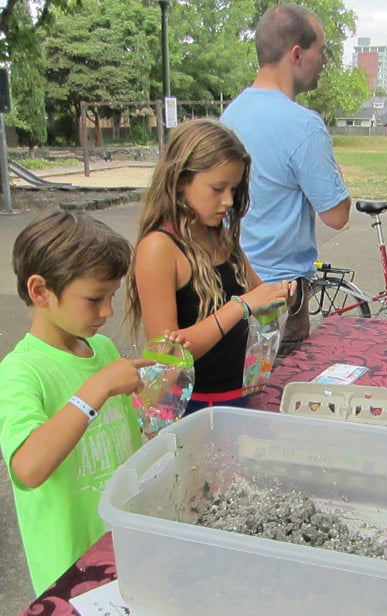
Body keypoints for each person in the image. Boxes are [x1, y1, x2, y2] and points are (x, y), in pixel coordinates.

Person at [0, 210, 152, 595]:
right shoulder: (20, 372)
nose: (107, 312)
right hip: (70, 569)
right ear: (40, 291)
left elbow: (123, 437)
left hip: (122, 544)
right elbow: (29, 468)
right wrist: (96, 388)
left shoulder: (99, 348)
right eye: (94, 298)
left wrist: (157, 394)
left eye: (112, 296)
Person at [126, 119, 295, 414]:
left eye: (234, 188)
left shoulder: (219, 234)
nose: (228, 200)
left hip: (239, 395)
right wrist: (240, 306)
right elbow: (168, 355)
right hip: (194, 409)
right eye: (217, 188)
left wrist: (281, 296)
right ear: (180, 180)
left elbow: (260, 297)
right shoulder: (159, 248)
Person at [221, 3, 351, 356]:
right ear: (296, 54)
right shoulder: (304, 125)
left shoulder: (229, 115)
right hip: (282, 295)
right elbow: (337, 216)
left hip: (233, 285)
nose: (324, 61)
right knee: (279, 401)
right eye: (321, 52)